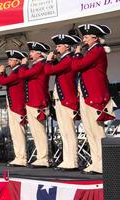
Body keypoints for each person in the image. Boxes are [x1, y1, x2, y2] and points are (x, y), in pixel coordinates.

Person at [72, 24, 115, 174]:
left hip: (95, 97)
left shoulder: (96, 50)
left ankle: (103, 163)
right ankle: (96, 162)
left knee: (97, 132)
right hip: (88, 96)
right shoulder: (91, 50)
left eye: (85, 36)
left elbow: (78, 66)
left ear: (95, 37)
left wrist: (77, 54)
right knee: (90, 131)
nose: (83, 39)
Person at [44, 34, 82, 171]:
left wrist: (49, 61)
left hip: (67, 100)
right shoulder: (65, 59)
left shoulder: (69, 59)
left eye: (59, 46)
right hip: (61, 100)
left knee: (68, 132)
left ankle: (72, 161)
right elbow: (58, 70)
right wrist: (54, 61)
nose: (56, 48)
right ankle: (67, 160)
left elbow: (49, 71)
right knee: (64, 132)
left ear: (67, 46)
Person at [18, 41, 51, 168]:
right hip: (32, 102)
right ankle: (41, 157)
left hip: (38, 102)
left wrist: (23, 65)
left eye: (32, 52)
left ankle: (43, 158)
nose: (30, 54)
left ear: (39, 53)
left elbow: (23, 75)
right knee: (36, 132)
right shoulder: (37, 65)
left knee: (39, 132)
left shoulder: (40, 64)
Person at [0, 50, 29, 167]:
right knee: (15, 133)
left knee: (18, 133)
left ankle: (21, 158)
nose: (8, 62)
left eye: (11, 60)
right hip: (13, 106)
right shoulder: (14, 71)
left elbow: (3, 81)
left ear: (17, 61)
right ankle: (19, 157)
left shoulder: (18, 71)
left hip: (17, 107)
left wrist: (1, 72)